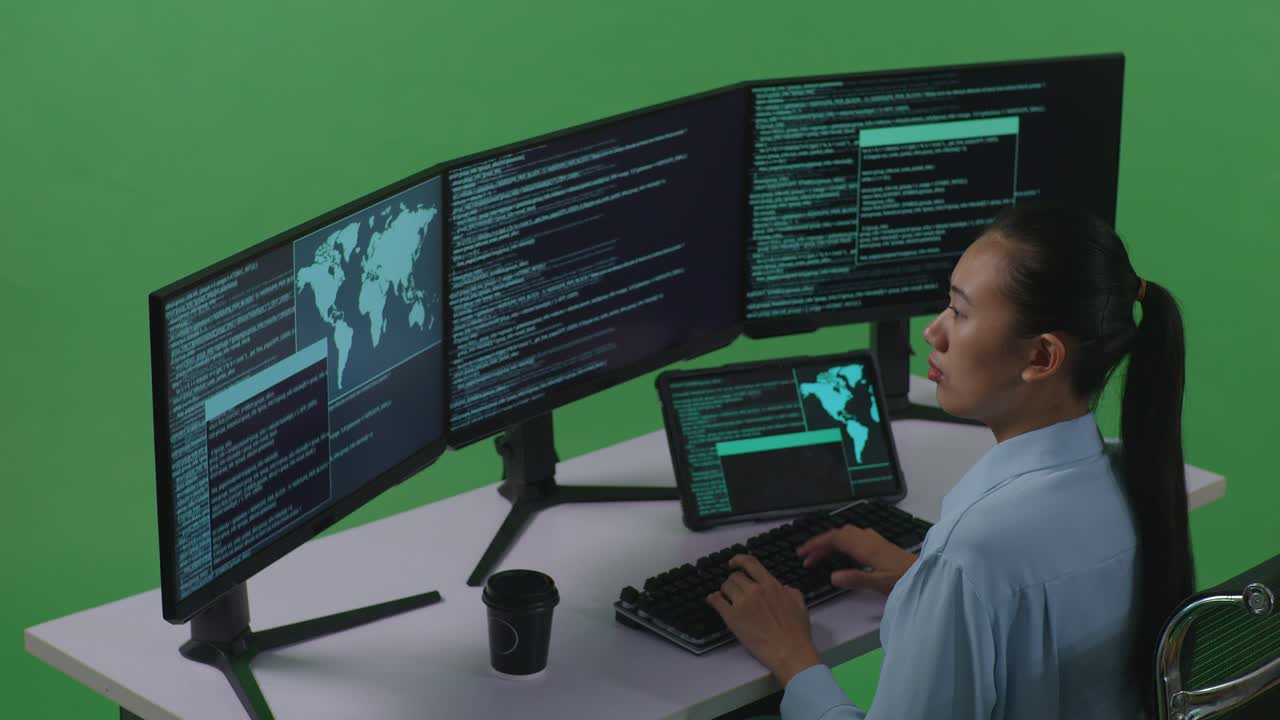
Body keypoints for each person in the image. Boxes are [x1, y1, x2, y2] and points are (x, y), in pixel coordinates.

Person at [706, 202, 1195, 720]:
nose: (932, 333)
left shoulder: (973, 550)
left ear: (1041, 357)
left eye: (960, 313)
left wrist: (794, 658)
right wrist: (928, 586)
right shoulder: (1129, 476)